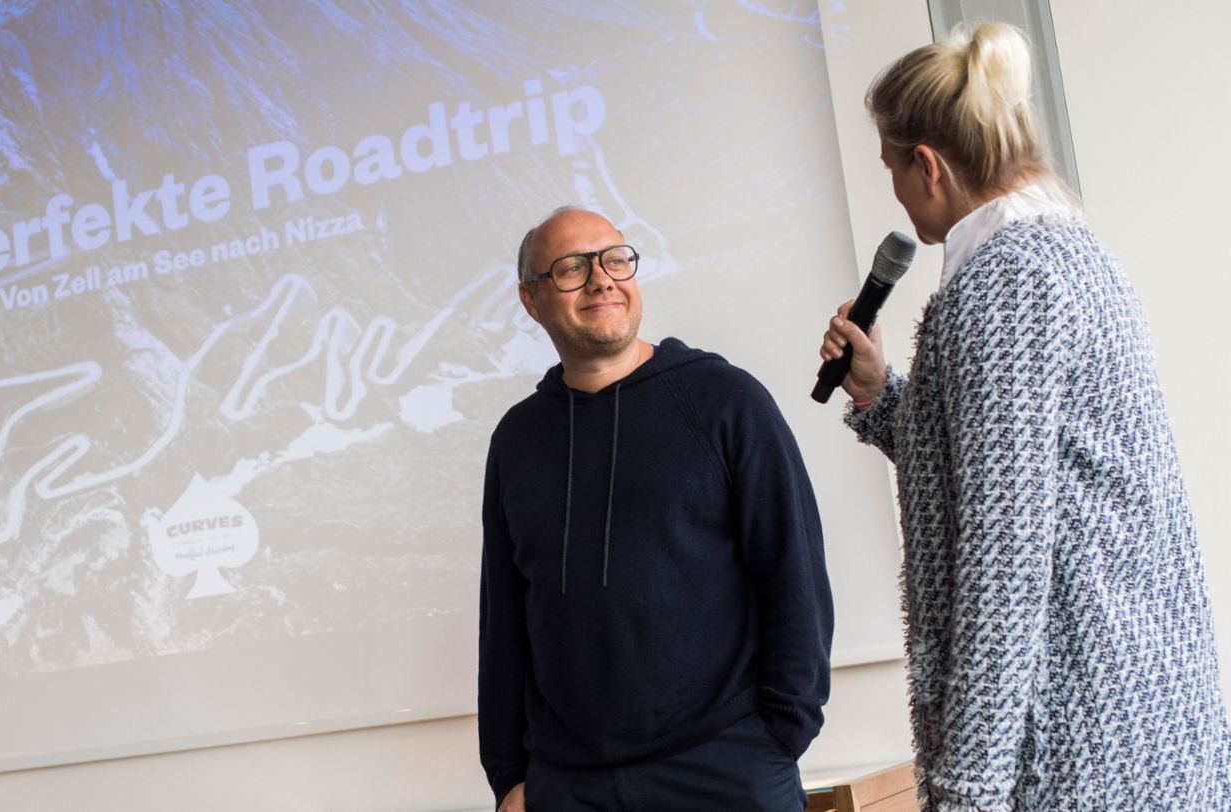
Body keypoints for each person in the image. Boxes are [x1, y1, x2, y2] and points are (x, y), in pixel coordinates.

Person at [818, 22, 1231, 811]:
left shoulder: (1002, 288)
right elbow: (1007, 474)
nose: (897, 195)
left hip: (1074, 737)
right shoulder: (1070, 254)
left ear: (929, 165)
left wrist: (969, 788)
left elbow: (1004, 555)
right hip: (1138, 712)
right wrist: (878, 396)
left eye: (893, 171)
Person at [479, 206, 832, 811]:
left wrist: (778, 735)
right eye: (571, 268)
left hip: (725, 767)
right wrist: (510, 775)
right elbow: (504, 618)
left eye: (615, 259)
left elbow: (792, 573)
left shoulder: (725, 401)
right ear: (531, 300)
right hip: (569, 785)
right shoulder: (517, 439)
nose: (601, 279)